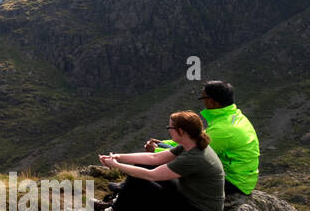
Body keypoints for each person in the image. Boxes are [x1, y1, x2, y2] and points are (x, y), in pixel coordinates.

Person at [105, 80, 260, 199]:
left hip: (232, 182)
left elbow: (194, 151)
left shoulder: (224, 130)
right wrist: (163, 144)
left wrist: (158, 151)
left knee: (156, 167)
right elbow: (196, 139)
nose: (202, 101)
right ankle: (126, 189)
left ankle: (124, 197)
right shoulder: (232, 118)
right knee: (154, 159)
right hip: (239, 177)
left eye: (203, 97)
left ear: (212, 102)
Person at [92, 111, 225, 211]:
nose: (168, 130)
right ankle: (117, 205)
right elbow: (154, 157)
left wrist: (117, 165)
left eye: (170, 128)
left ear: (181, 131)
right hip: (190, 196)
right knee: (141, 166)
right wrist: (118, 157)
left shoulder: (194, 157)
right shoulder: (190, 144)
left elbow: (152, 175)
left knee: (139, 177)